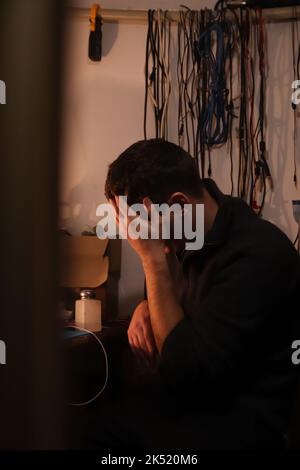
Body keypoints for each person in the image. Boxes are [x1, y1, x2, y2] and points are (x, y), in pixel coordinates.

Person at [76, 139, 300, 450]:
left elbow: (185, 376)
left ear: (180, 206)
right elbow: (189, 309)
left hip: (245, 421)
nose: (143, 238)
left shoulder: (257, 256)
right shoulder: (192, 236)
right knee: (89, 422)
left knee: (100, 437)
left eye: (142, 226)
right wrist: (146, 304)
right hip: (199, 402)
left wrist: (152, 260)